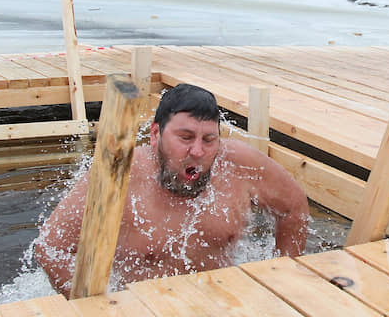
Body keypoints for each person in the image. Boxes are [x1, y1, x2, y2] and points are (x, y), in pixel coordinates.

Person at [35, 83, 309, 296]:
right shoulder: (119, 176)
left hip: (218, 301)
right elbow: (50, 248)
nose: (198, 151)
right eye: (185, 138)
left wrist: (280, 280)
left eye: (209, 139)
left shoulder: (239, 165)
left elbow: (293, 208)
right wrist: (103, 306)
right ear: (155, 135)